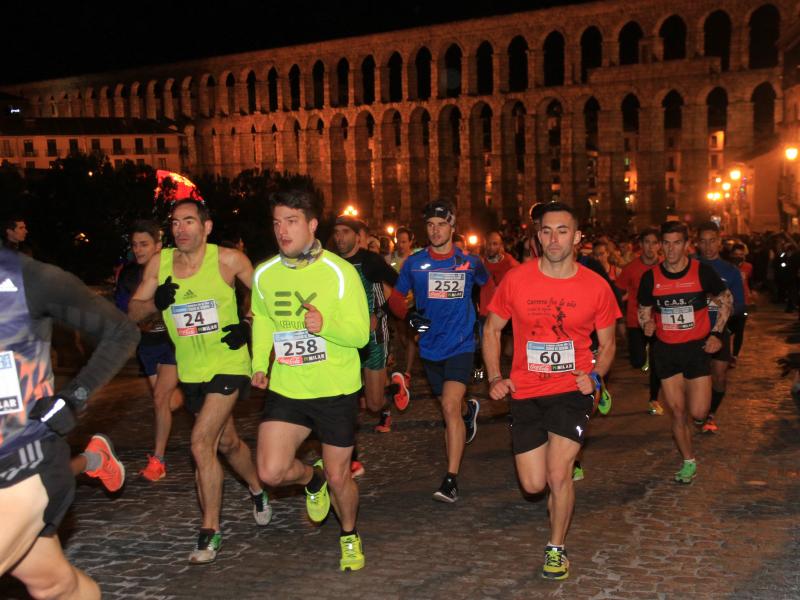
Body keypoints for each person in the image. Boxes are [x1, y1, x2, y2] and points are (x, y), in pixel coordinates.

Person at [483, 202, 620, 580]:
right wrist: (495, 376)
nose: (554, 238)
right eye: (546, 231)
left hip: (571, 389)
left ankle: (556, 547)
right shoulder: (516, 279)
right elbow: (492, 329)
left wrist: (593, 377)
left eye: (562, 231)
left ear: (577, 237)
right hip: (526, 390)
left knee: (558, 476)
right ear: (537, 236)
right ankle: (564, 459)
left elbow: (608, 344)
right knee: (532, 484)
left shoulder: (596, 286)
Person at [129, 199, 271, 564]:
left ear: (206, 227)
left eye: (189, 221)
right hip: (190, 368)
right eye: (175, 223)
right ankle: (256, 487)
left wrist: (249, 324)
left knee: (200, 441)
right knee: (227, 441)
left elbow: (267, 296)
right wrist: (156, 302)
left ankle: (209, 531)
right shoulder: (159, 264)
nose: (181, 229)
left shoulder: (229, 260)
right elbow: (134, 310)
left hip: (228, 361)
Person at [0, 246, 139, 598]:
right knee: (56, 587)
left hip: (23, 461)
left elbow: (122, 332)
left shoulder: (27, 278)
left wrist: (72, 398)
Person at [251, 189, 369, 571]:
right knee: (270, 471)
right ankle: (310, 478)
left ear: (312, 224)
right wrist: (259, 363)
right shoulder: (264, 274)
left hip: (336, 389)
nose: (282, 231)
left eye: (291, 221)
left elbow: (361, 335)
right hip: (289, 386)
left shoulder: (340, 271)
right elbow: (264, 320)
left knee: (340, 478)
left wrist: (326, 325)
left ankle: (348, 534)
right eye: (276, 222)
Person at [387, 199, 489, 503]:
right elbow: (394, 299)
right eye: (430, 225)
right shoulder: (415, 264)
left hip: (461, 345)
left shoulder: (470, 263)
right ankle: (469, 412)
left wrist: (486, 317)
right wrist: (409, 316)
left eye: (441, 225)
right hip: (430, 349)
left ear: (453, 227)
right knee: (453, 407)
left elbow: (489, 285)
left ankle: (451, 479)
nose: (435, 231)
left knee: (447, 407)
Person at [637, 221, 732, 484]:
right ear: (660, 246)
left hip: (696, 349)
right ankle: (688, 460)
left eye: (676, 242)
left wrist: (717, 334)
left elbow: (726, 300)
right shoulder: (651, 277)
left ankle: (699, 421)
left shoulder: (702, 272)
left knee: (699, 412)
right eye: (665, 243)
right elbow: (644, 309)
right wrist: (647, 323)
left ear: (687, 245)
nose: (671, 249)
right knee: (678, 412)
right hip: (666, 350)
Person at [115, 220, 182, 481]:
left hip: (172, 343)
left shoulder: (173, 268)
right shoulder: (129, 274)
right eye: (135, 245)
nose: (139, 249)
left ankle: (159, 459)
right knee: (168, 400)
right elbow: (125, 310)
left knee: (159, 400)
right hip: (147, 346)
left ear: (158, 245)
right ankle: (187, 394)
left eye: (145, 244)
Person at [333, 216, 401, 435]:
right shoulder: (332, 263)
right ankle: (346, 453)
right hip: (344, 337)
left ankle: (394, 390)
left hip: (373, 336)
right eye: (337, 232)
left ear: (358, 236)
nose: (339, 237)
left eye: (345, 232)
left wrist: (378, 313)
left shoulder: (370, 261)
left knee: (373, 405)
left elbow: (399, 286)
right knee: (341, 398)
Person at [695, 222, 746, 433]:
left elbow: (740, 304)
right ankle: (698, 411)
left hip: (719, 329)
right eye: (703, 242)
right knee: (698, 377)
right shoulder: (689, 266)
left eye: (712, 241)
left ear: (719, 242)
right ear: (697, 243)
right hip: (693, 331)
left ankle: (711, 413)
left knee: (719, 375)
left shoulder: (730, 271)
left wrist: (718, 303)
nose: (708, 246)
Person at [615, 228, 663, 415]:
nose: (650, 247)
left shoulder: (665, 265)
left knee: (657, 362)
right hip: (636, 321)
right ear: (640, 245)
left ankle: (654, 399)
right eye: (647, 243)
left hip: (658, 321)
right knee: (637, 361)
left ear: (659, 245)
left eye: (654, 243)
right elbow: (618, 289)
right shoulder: (631, 268)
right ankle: (644, 357)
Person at [388, 227, 418, 406]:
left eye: (404, 241)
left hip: (414, 305)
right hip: (398, 306)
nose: (401, 245)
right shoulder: (390, 260)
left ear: (410, 242)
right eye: (398, 241)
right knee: (402, 337)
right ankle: (409, 358)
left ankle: (407, 372)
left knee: (412, 337)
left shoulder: (415, 259)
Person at [728, 242, 752, 363]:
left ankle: (735, 355)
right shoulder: (727, 267)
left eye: (741, 254)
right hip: (729, 303)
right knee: (727, 329)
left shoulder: (748, 267)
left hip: (744, 303)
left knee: (740, 330)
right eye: (736, 254)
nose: (738, 256)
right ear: (732, 254)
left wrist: (751, 293)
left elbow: (749, 281)